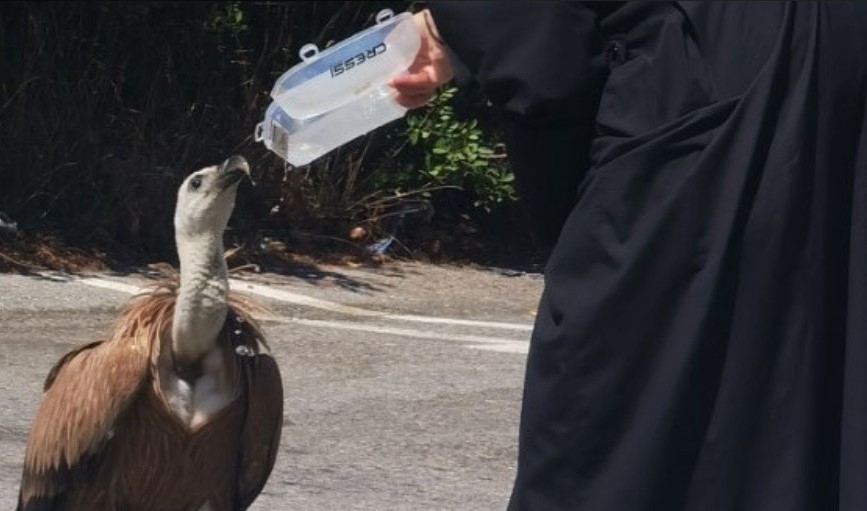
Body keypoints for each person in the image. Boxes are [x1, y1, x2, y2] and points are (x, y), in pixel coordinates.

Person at [389, 2, 867, 510]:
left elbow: (549, 71)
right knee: (814, 403)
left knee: (627, 429)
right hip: (828, 90)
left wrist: (457, 29)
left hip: (701, 118)